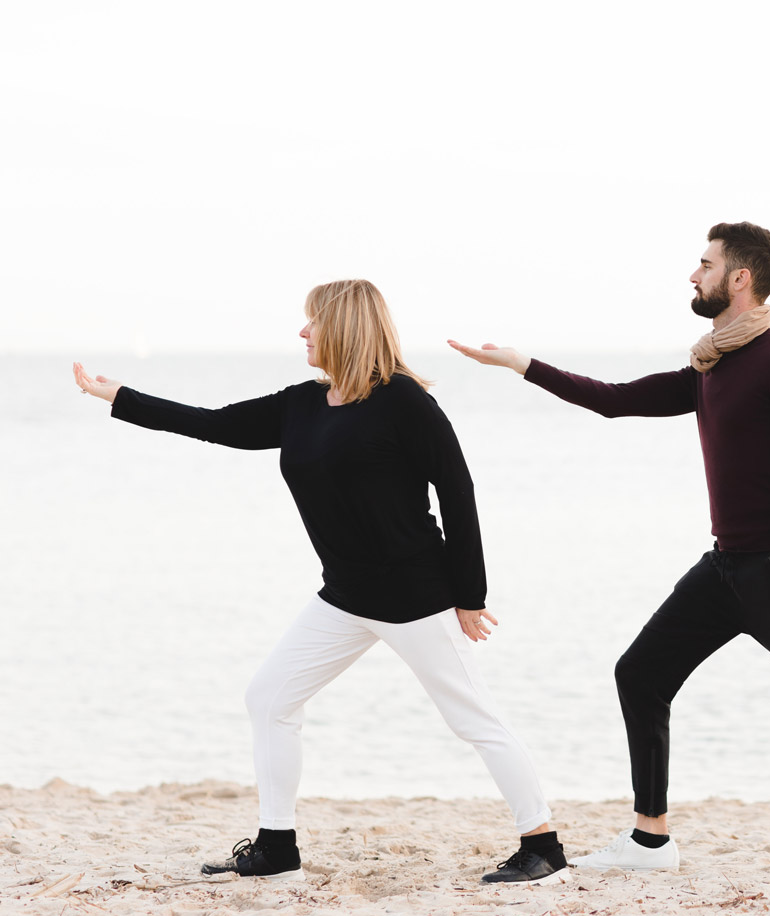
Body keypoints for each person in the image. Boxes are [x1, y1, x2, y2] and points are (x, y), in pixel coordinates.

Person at [448, 222, 770, 875]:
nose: (692, 274)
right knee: (639, 674)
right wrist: (521, 365)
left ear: (740, 277)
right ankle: (651, 838)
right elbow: (615, 402)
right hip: (726, 567)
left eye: (704, 264)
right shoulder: (712, 365)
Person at [72, 279, 568, 885]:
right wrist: (121, 397)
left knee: (473, 720)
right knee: (270, 699)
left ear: (344, 329)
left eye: (312, 322)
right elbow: (216, 424)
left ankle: (542, 843)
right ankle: (277, 847)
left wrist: (470, 596)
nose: (303, 333)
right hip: (344, 597)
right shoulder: (302, 404)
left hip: (416, 599)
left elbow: (457, 492)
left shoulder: (405, 402)